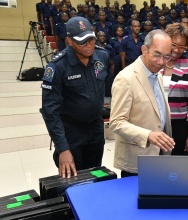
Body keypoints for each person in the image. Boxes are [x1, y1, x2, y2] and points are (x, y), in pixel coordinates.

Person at [41, 17, 110, 178]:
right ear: (69, 41)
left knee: (94, 176)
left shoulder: (102, 57)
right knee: (73, 179)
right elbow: (50, 111)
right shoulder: (57, 67)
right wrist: (63, 149)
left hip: (95, 128)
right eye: (82, 42)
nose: (89, 45)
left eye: (91, 40)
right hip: (71, 132)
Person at [109, 29, 175, 177]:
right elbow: (116, 122)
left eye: (166, 57)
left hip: (159, 155)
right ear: (144, 49)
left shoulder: (156, 73)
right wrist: (148, 135)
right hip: (136, 161)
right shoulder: (125, 78)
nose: (161, 62)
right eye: (156, 55)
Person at [159, 23, 188, 155]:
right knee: (155, 168)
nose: (177, 50)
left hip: (180, 126)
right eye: (174, 45)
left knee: (177, 170)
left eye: (182, 47)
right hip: (155, 125)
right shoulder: (155, 63)